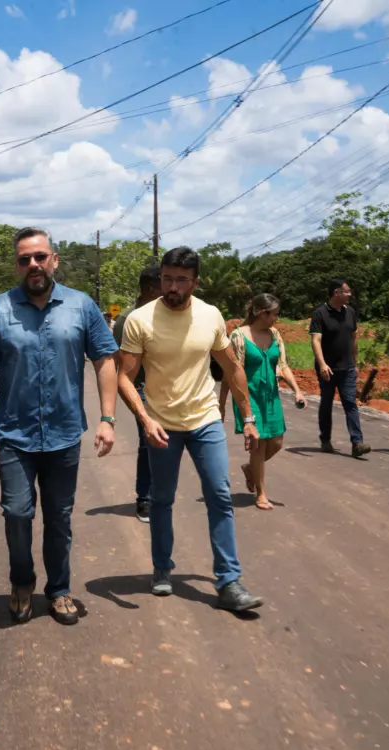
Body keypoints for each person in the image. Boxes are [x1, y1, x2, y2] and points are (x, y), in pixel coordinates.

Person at [0, 226, 120, 626]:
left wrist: (107, 418)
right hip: (14, 436)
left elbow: (105, 360)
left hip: (64, 433)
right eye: (24, 259)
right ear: (17, 265)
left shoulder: (81, 305)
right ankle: (22, 582)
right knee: (17, 513)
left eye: (40, 257)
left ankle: (59, 589)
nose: (33, 265)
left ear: (54, 259)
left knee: (60, 517)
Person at [118, 246, 265, 612]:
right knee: (162, 500)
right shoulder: (140, 320)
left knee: (219, 495)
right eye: (167, 278)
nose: (172, 285)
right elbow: (124, 377)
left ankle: (229, 582)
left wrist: (247, 417)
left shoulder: (211, 316)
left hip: (205, 420)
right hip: (162, 425)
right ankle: (162, 568)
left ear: (195, 282)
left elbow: (230, 367)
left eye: (181, 279)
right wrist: (145, 418)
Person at [228, 294, 307, 510]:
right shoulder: (238, 336)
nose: (277, 319)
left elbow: (282, 366)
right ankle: (261, 494)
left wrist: (298, 391)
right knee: (258, 445)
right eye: (274, 314)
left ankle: (251, 469)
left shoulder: (275, 335)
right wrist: (222, 402)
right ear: (262, 313)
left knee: (276, 443)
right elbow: (233, 372)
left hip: (270, 398)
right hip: (249, 397)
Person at [112, 264, 163, 523]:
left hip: (166, 388)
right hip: (140, 388)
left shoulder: (165, 314)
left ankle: (160, 493)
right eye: (165, 284)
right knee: (148, 440)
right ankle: (144, 498)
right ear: (152, 289)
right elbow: (120, 363)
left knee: (167, 441)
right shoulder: (127, 319)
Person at [310, 279, 371, 458]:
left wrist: (355, 362)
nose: (350, 294)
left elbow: (354, 338)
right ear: (337, 293)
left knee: (350, 403)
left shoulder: (350, 312)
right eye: (347, 291)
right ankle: (325, 439)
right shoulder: (320, 313)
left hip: (347, 368)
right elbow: (315, 340)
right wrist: (322, 364)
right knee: (326, 403)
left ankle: (357, 443)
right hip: (327, 369)